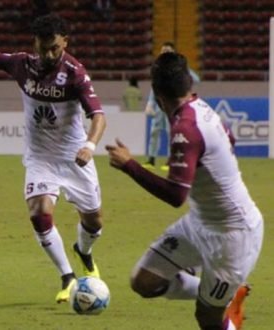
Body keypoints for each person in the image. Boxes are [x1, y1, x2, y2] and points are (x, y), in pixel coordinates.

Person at [0, 13, 107, 303]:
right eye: (43, 47)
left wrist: (90, 145)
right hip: (41, 158)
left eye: (55, 48)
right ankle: (67, 277)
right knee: (39, 211)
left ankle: (84, 253)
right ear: (35, 42)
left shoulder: (75, 73)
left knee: (94, 221)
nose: (48, 54)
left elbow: (98, 116)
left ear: (65, 42)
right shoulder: (22, 64)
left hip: (75, 158)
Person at [106, 52, 263, 330]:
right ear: (188, 83)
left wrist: (129, 165)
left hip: (232, 234)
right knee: (144, 281)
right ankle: (225, 292)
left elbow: (176, 196)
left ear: (156, 92)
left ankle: (223, 298)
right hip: (199, 222)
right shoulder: (200, 107)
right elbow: (230, 138)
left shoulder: (186, 127)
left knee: (207, 319)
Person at [144, 41, 200, 170]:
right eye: (163, 51)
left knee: (172, 132)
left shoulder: (178, 69)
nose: (164, 53)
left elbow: (196, 79)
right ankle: (151, 160)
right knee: (154, 132)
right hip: (160, 106)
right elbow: (154, 88)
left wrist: (183, 68)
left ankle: (171, 160)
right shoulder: (159, 68)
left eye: (167, 51)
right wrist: (150, 104)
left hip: (173, 106)